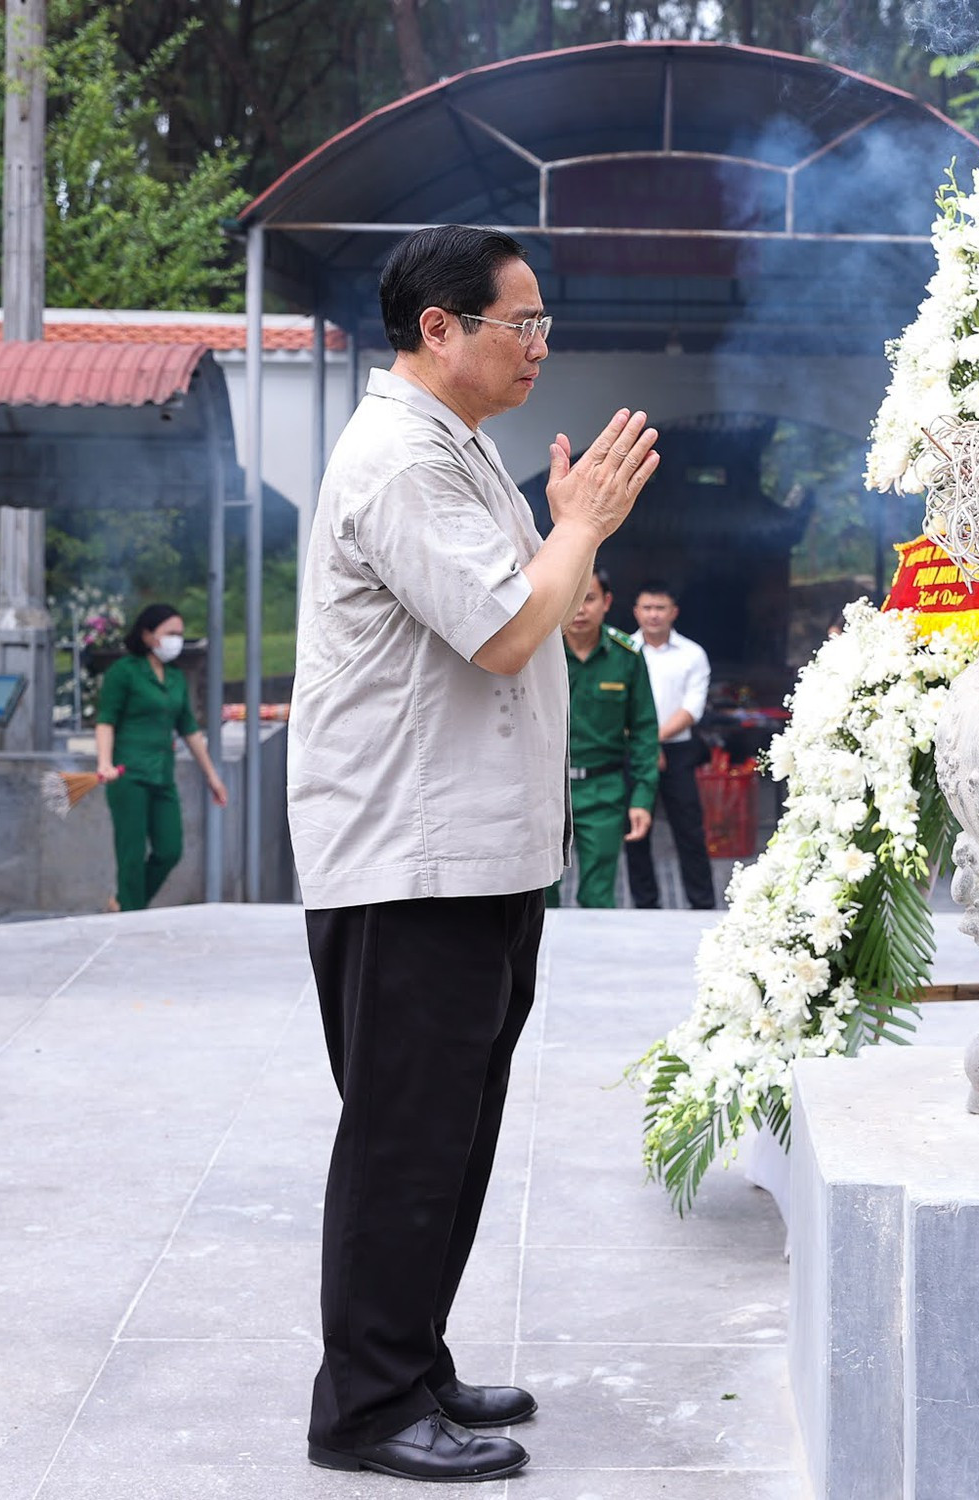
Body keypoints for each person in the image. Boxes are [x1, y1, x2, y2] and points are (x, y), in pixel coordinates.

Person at [287, 224, 658, 1482]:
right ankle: (367, 1408)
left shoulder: (459, 455)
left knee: (452, 1130)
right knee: (405, 1136)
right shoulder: (399, 459)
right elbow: (508, 632)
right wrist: (585, 523)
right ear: (438, 329)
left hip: (478, 857)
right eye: (520, 323)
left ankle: (411, 1359)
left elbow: (542, 602)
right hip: (412, 859)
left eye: (542, 322)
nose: (538, 345)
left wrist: (571, 529)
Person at [94, 603, 228, 912]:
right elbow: (106, 721)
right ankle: (131, 917)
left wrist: (212, 776)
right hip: (129, 775)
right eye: (170, 633)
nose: (177, 640)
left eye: (180, 634)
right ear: (147, 635)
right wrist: (104, 763)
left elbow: (190, 731)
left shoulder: (176, 678)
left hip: (161, 775)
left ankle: (124, 905)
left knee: (170, 850)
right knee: (131, 855)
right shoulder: (124, 672)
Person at [547, 565, 658, 909]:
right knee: (539, 897)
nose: (580, 609)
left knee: (598, 896)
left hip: (603, 791)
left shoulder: (627, 657)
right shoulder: (538, 651)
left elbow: (643, 731)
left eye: (589, 598)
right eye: (573, 598)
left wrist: (641, 797)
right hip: (545, 790)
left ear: (607, 602)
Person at [624, 580, 716, 910]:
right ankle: (644, 905)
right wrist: (645, 745)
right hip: (633, 751)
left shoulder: (693, 654)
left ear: (673, 612)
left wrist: (654, 740)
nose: (653, 615)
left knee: (689, 831)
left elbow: (693, 708)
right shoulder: (623, 650)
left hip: (677, 752)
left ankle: (702, 904)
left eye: (660, 608)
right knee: (635, 832)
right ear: (635, 611)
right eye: (647, 608)